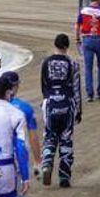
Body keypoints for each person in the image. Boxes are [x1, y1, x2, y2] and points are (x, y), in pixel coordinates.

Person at [2, 71, 40, 197]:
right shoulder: (24, 108)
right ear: (16, 86)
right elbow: (32, 137)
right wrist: (38, 161)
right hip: (18, 160)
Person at [39, 34, 82, 188]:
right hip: (67, 102)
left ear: (55, 45)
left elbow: (43, 85)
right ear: (67, 46)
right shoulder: (73, 63)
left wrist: (47, 99)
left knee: (50, 135)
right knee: (66, 138)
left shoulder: (45, 62)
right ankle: (64, 176)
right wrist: (78, 110)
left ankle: (46, 162)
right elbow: (76, 88)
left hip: (50, 102)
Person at [75, 0, 100, 102]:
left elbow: (77, 25)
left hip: (87, 38)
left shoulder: (83, 10)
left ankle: (90, 94)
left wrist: (77, 39)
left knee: (88, 68)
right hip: (99, 38)